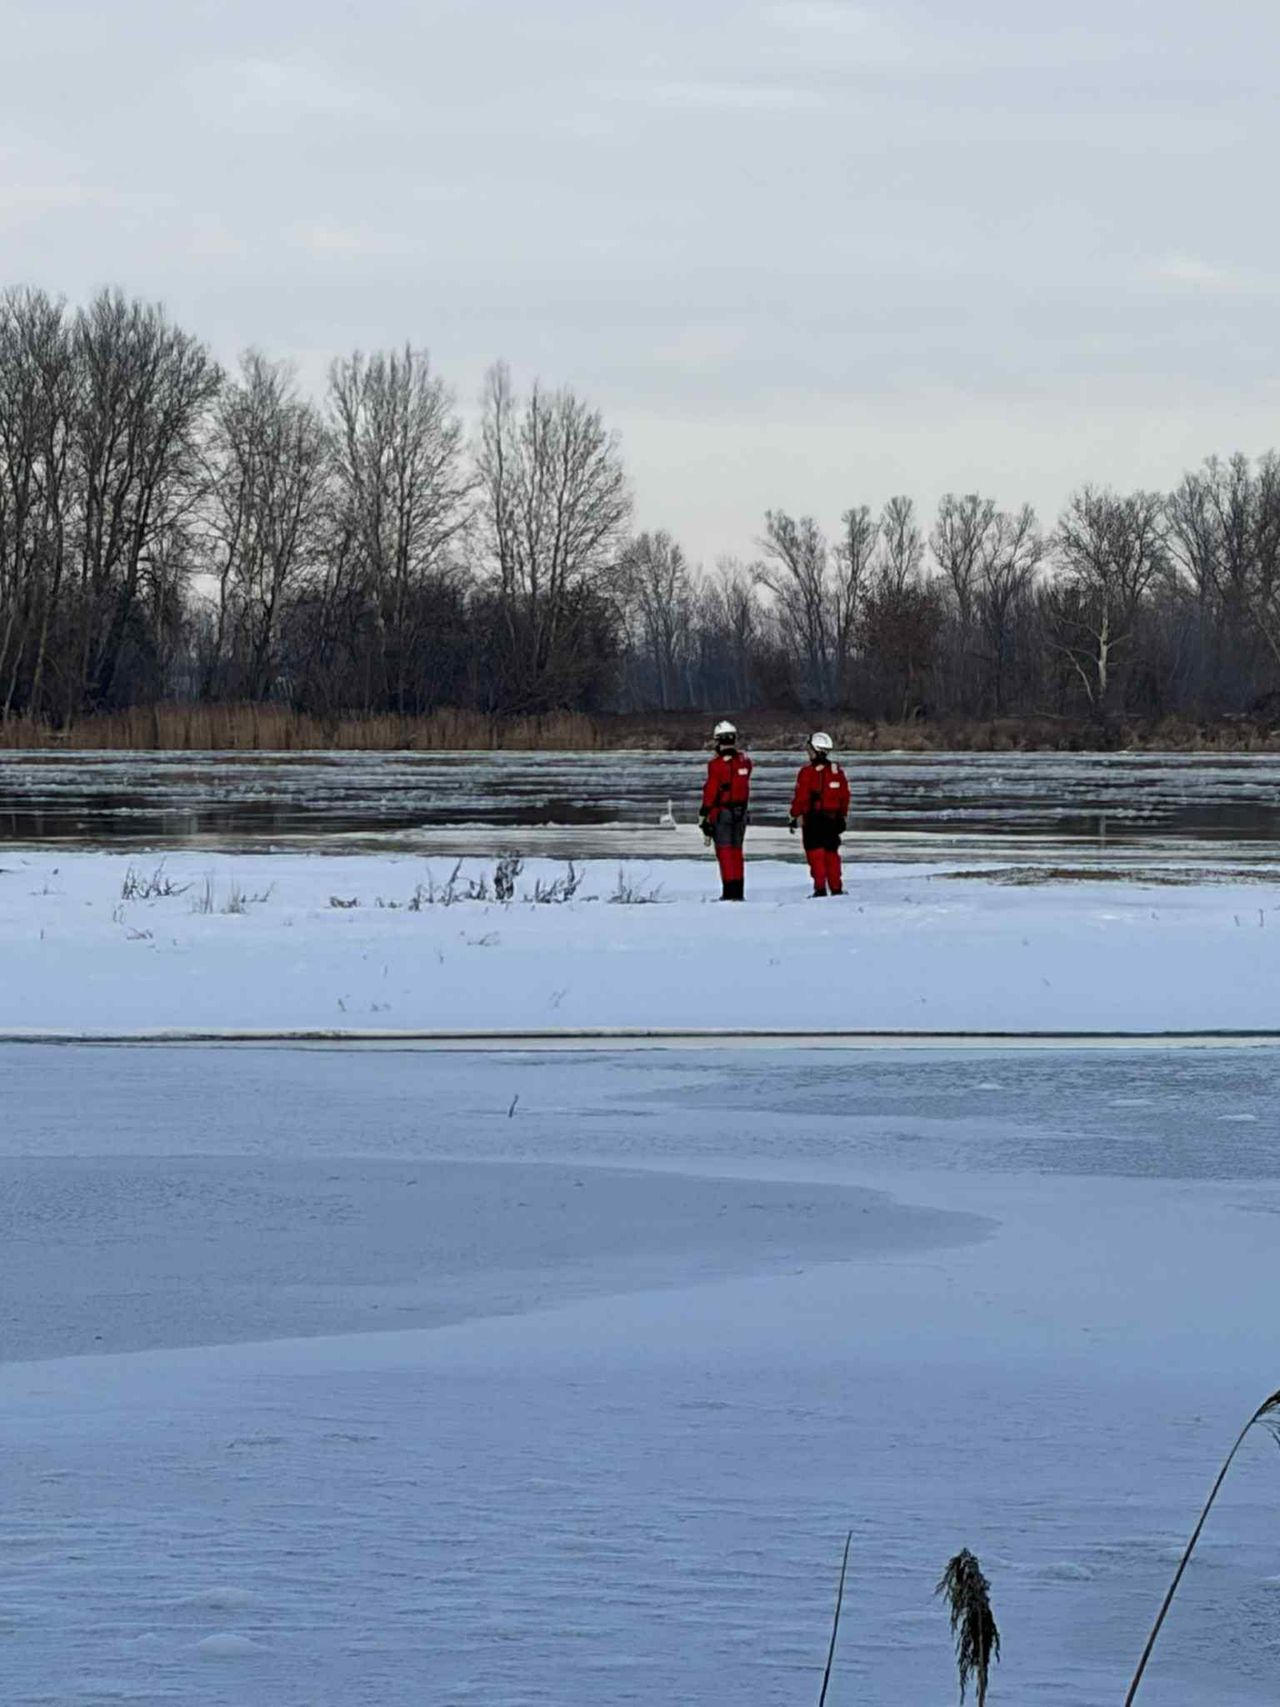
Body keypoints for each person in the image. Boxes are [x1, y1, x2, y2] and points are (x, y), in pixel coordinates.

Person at [789, 732, 851, 896]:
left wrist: (794, 815)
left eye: (809, 748)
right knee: (831, 854)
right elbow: (845, 796)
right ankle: (836, 888)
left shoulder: (807, 772)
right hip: (832, 820)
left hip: (814, 821)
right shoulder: (837, 771)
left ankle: (820, 888)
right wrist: (842, 816)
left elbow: (801, 797)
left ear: (815, 749)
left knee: (816, 854)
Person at [698, 720, 752, 900]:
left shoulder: (716, 765)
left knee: (725, 852)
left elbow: (711, 791)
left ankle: (729, 893)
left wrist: (704, 814)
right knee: (737, 852)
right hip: (741, 813)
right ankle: (738, 891)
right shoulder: (745, 762)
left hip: (723, 813)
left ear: (717, 741)